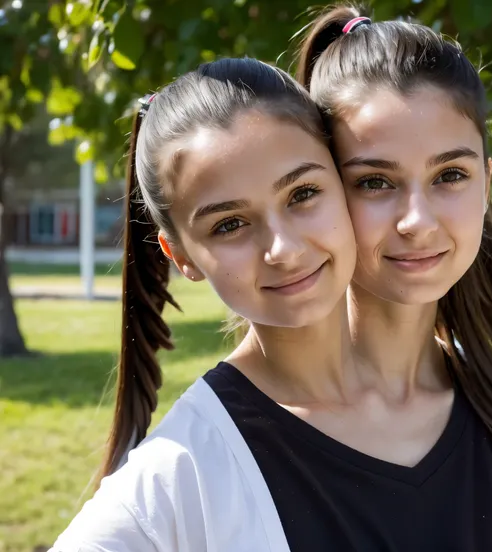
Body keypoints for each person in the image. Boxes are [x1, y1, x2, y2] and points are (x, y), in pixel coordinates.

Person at [294, 6, 492, 552]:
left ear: (486, 182)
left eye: (450, 175)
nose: (418, 220)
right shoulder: (214, 451)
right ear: (317, 193)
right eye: (374, 182)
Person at [51, 57, 359, 550]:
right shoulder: (177, 474)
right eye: (229, 224)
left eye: (303, 193)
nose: (284, 249)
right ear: (182, 256)